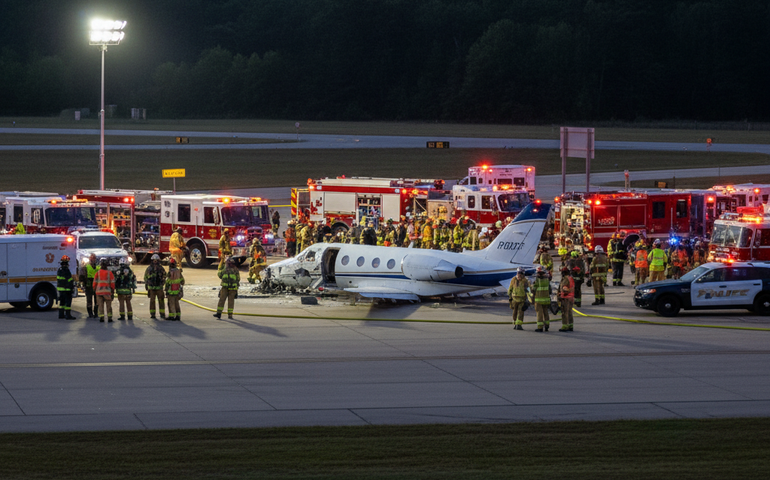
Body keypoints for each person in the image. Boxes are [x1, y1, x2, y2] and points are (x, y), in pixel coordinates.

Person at [144, 254, 167, 319]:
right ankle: (152, 314)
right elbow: (145, 277)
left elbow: (164, 276)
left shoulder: (161, 268)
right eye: (154, 260)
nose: (155, 262)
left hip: (159, 288)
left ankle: (162, 314)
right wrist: (147, 285)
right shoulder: (149, 269)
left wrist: (162, 283)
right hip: (152, 288)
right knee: (152, 301)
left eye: (156, 260)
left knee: (161, 301)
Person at [93, 258, 115, 323]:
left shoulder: (98, 273)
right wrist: (112, 290)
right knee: (108, 305)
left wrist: (94, 289)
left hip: (99, 292)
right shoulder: (109, 273)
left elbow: (94, 282)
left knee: (100, 305)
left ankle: (101, 317)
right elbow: (112, 283)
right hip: (107, 292)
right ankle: (109, 318)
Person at [79, 253, 99, 318]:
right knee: (89, 300)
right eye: (91, 257)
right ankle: (90, 313)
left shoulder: (98, 266)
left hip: (96, 285)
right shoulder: (85, 266)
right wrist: (82, 284)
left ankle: (96, 312)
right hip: (89, 285)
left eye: (93, 258)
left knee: (97, 300)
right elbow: (82, 275)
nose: (92, 259)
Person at [56, 255, 76, 320]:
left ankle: (61, 314)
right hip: (67, 289)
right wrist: (72, 285)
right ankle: (68, 315)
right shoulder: (66, 270)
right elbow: (68, 280)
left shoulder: (59, 270)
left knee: (62, 303)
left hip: (61, 289)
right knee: (68, 303)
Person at [532, 266, 551, 332]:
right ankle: (547, 325)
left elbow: (533, 289)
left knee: (539, 313)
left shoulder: (537, 280)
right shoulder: (547, 280)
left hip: (539, 300)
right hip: (546, 299)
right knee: (546, 312)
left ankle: (540, 327)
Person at [558, 266, 575, 332]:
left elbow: (564, 288)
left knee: (564, 312)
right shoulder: (571, 278)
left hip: (565, 298)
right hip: (571, 297)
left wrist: (561, 294)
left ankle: (565, 326)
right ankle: (570, 325)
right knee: (569, 312)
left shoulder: (565, 279)